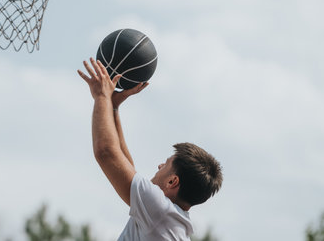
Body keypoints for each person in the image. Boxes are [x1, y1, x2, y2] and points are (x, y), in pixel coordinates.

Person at [78, 58, 223, 241]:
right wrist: (113, 107)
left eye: (166, 164)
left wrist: (101, 96)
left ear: (172, 182)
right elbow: (124, 165)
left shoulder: (159, 210)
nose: (160, 165)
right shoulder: (170, 218)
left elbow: (106, 153)